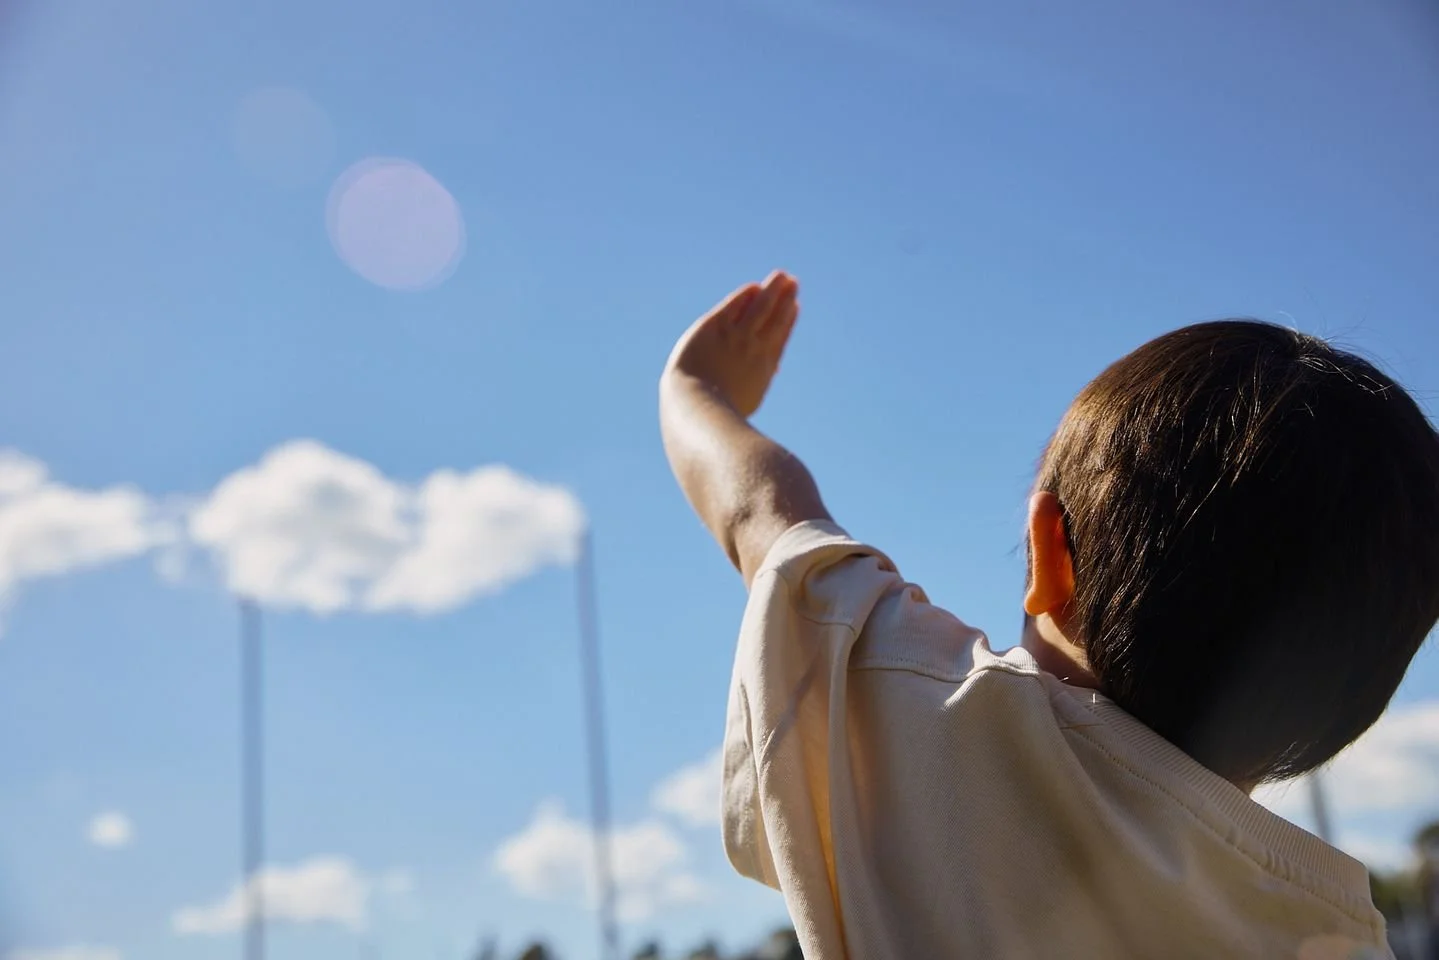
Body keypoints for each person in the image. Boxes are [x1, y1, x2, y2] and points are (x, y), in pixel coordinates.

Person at [658, 271, 1439, 959]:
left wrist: (694, 388)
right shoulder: (1331, 934)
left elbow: (762, 512)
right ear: (1359, 695)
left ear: (1045, 548)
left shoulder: (927, 715)